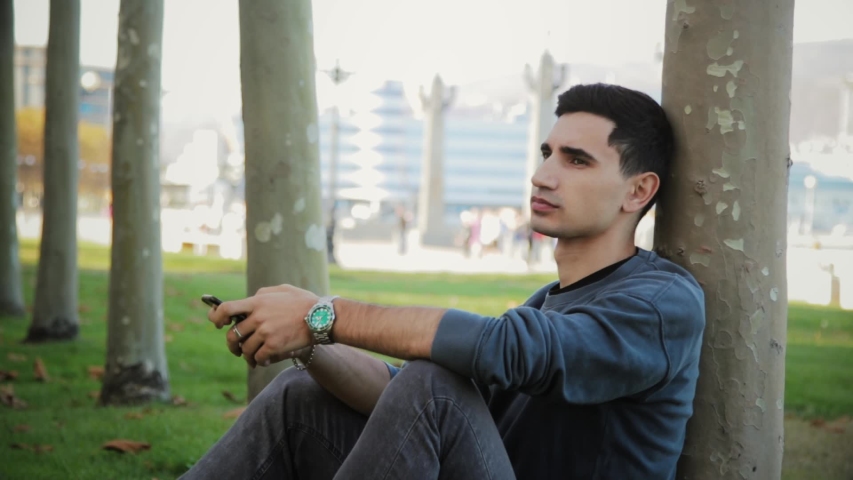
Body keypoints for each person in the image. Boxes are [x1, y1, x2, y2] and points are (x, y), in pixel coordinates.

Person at [181, 84, 705, 480]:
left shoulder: (662, 303)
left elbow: (498, 354)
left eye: (576, 161)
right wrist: (311, 343)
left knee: (434, 385)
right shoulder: (549, 302)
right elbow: (405, 400)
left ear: (639, 191)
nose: (543, 176)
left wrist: (323, 314)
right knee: (303, 392)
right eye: (548, 153)